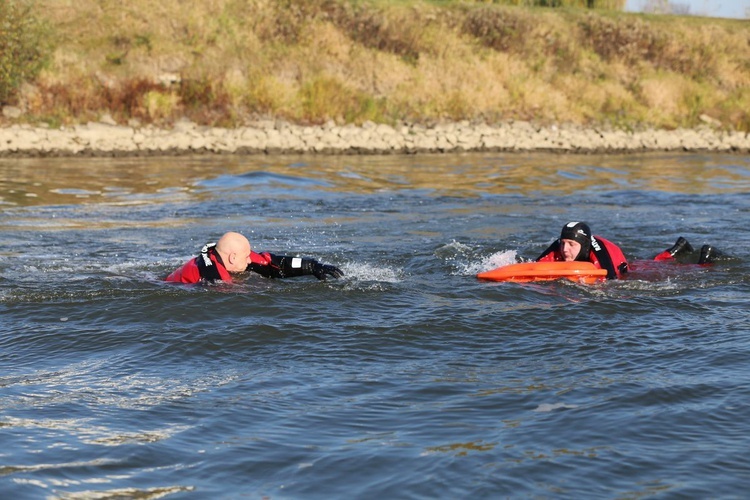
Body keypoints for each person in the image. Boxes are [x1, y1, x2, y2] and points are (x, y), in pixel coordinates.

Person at [165, 231, 344, 284]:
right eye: (246, 257)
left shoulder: (228, 255)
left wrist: (312, 266)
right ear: (233, 258)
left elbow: (273, 264)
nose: (250, 260)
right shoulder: (214, 276)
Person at [536, 221, 629, 280]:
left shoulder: (600, 253)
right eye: (563, 243)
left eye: (571, 244)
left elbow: (610, 282)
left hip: (616, 264)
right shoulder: (558, 245)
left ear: (584, 246)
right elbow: (536, 266)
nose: (564, 249)